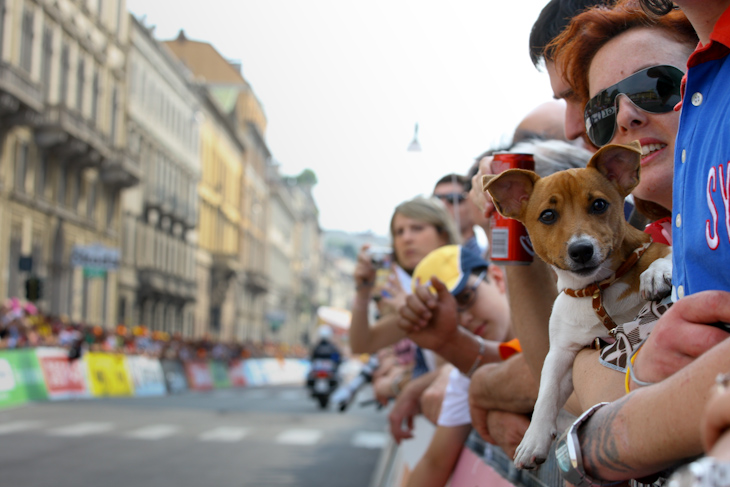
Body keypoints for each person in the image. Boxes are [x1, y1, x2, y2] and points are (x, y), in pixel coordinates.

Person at [531, 0, 730, 483]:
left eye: (656, 87)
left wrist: (597, 439)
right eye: (602, 109)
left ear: (705, 86)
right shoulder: (669, 239)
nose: (625, 117)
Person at [402, 245, 512, 487]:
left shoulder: (556, 318)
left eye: (466, 297)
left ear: (496, 278)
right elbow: (434, 464)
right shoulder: (464, 373)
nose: (462, 319)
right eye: (444, 314)